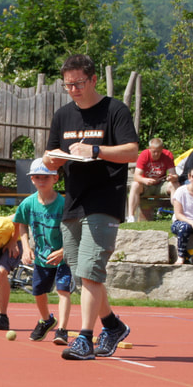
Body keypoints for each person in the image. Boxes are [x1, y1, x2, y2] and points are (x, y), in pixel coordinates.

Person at [41, 54, 139, 361]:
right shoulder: (63, 115)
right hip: (73, 202)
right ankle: (112, 325)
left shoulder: (115, 110)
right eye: (68, 85)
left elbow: (132, 151)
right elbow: (50, 155)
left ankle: (84, 338)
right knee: (82, 275)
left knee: (91, 271)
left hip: (105, 200)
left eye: (79, 83)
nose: (73, 90)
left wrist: (95, 150)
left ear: (94, 79)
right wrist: (51, 161)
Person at [14, 158, 72, 344]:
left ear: (55, 178)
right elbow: (21, 224)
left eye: (45, 177)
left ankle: (62, 330)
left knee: (63, 290)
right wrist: (26, 247)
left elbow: (75, 231)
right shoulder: (28, 203)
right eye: (37, 177)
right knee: (38, 292)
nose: (41, 180)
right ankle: (47, 320)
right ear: (32, 179)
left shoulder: (64, 203)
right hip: (41, 258)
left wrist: (63, 250)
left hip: (63, 257)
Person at [126, 137, 178, 222]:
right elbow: (136, 176)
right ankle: (131, 216)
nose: (156, 154)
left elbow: (174, 175)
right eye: (154, 151)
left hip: (161, 184)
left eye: (159, 151)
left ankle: (176, 214)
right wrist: (145, 180)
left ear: (162, 149)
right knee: (135, 185)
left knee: (175, 185)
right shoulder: (144, 155)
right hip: (146, 186)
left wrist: (172, 178)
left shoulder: (167, 155)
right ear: (149, 149)